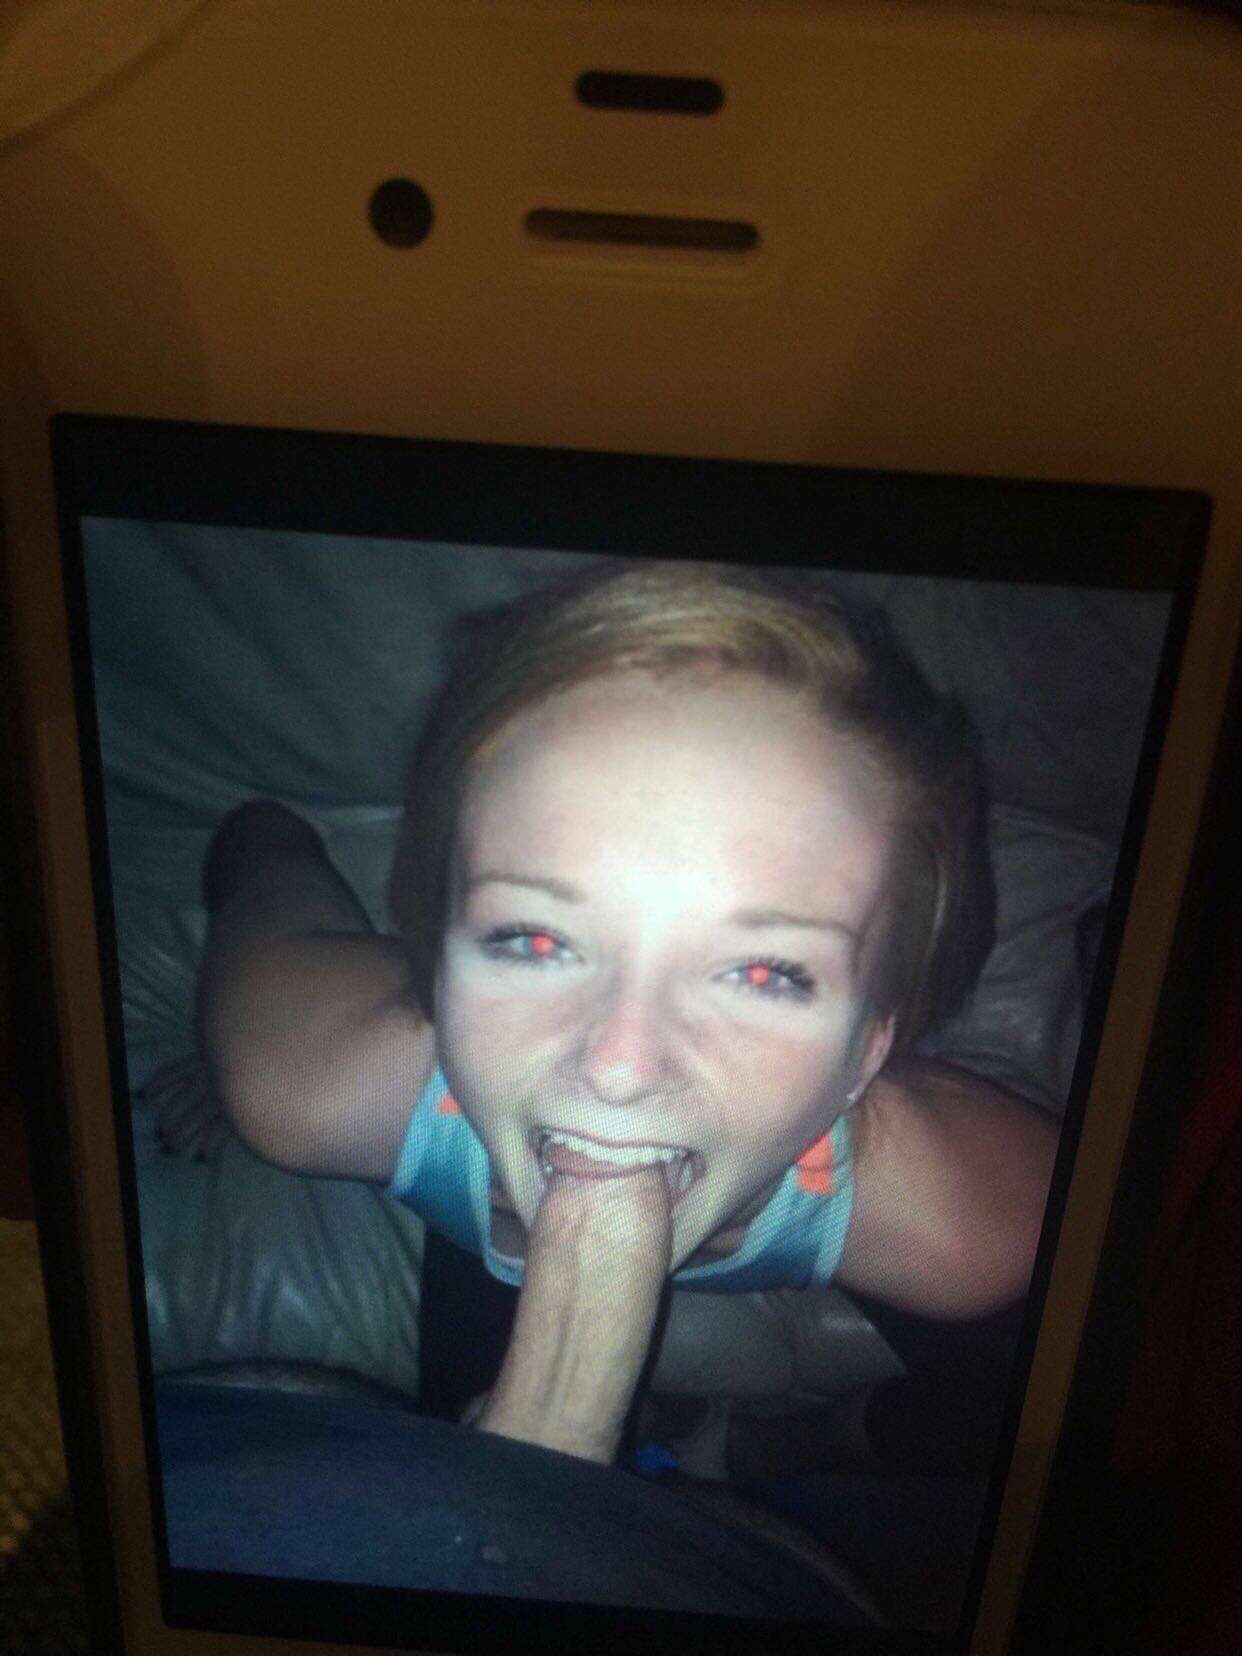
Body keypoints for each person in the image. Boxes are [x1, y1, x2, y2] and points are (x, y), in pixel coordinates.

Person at [185, 561, 1058, 1470]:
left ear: (869, 1050)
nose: (617, 1069)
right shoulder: (292, 1078)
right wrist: (216, 1025)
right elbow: (259, 837)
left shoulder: (991, 1232)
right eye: (533, 940)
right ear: (436, 955)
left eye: (763, 973)